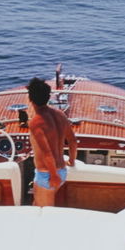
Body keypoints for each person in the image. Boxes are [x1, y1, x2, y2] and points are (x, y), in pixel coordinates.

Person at [25, 76, 78, 207]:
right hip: (61, 171)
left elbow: (47, 153)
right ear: (48, 97)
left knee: (43, 211)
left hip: (47, 175)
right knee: (36, 204)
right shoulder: (60, 114)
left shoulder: (35, 123)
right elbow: (72, 141)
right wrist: (72, 160)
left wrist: (53, 176)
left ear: (30, 99)